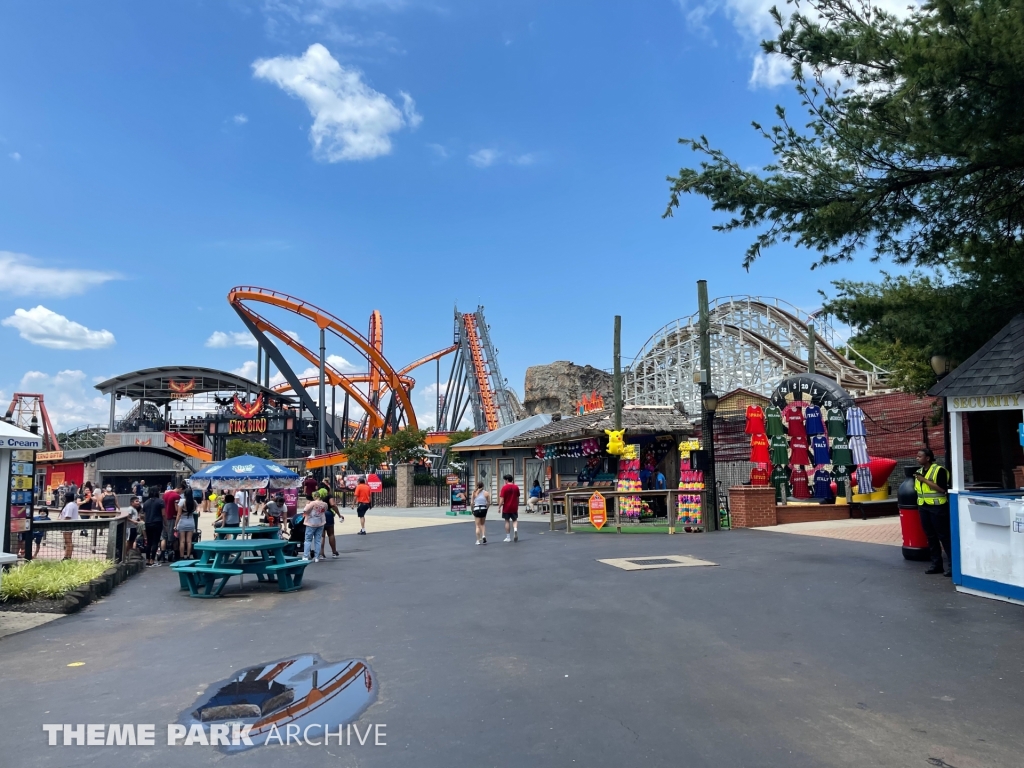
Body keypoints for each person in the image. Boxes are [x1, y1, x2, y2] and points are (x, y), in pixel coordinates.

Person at [914, 448, 952, 576]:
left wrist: (924, 480)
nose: (917, 458)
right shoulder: (918, 472)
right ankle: (936, 564)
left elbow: (942, 489)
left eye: (920, 456)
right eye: (917, 456)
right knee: (930, 536)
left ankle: (952, 566)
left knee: (944, 536)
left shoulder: (938, 470)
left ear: (928, 458)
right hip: (924, 507)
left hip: (938, 507)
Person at [142, 487, 165, 566]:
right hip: (157, 522)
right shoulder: (160, 502)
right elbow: (163, 514)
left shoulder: (146, 502)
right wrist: (165, 523)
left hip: (148, 523)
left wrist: (146, 522)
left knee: (149, 542)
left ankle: (147, 559)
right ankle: (152, 559)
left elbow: (144, 515)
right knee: (155, 541)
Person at [302, 492, 327, 562]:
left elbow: (305, 510)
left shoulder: (312, 503)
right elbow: (325, 510)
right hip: (320, 522)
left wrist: (307, 504)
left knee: (308, 540)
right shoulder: (325, 504)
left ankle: (305, 556)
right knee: (318, 540)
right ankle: (317, 557)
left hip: (311, 522)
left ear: (314, 496)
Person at [174, 490, 197, 560]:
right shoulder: (194, 502)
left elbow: (179, 514)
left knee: (182, 541)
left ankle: (181, 556)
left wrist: (175, 524)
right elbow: (194, 511)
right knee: (189, 541)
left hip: (182, 522)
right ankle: (188, 556)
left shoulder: (182, 502)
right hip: (191, 521)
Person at [161, 483, 182, 560]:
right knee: (174, 537)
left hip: (165, 517)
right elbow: (177, 509)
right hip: (173, 517)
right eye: (181, 491)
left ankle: (162, 555)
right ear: (180, 489)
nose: (181, 493)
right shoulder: (177, 496)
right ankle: (175, 554)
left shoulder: (165, 495)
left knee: (164, 537)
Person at [499, 474, 520, 543]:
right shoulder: (516, 487)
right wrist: (517, 505)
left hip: (506, 507)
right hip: (514, 506)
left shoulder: (504, 488)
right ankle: (515, 529)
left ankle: (508, 537)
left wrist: (499, 507)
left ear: (507, 480)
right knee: (515, 520)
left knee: (507, 521)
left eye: (505, 480)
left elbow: (502, 499)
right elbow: (517, 498)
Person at [59, 492, 80, 560]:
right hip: (69, 524)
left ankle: (67, 557)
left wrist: (61, 522)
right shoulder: (73, 504)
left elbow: (68, 516)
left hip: (67, 525)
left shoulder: (70, 505)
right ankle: (67, 555)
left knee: (68, 541)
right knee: (68, 541)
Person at [323, 492, 342, 558]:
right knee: (331, 534)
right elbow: (333, 504)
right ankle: (334, 552)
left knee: (321, 536)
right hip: (328, 514)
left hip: (319, 515)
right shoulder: (328, 495)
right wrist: (339, 515)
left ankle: (321, 553)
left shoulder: (316, 494)